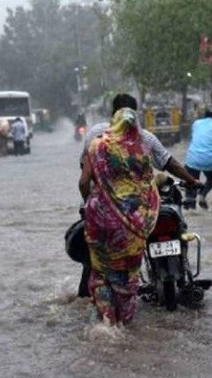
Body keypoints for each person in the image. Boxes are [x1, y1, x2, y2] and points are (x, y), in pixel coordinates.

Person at [76, 93, 201, 299]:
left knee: (96, 262)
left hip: (104, 215)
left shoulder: (97, 140)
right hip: (138, 215)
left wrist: (91, 204)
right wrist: (192, 180)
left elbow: (84, 180)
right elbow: (170, 164)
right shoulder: (145, 139)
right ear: (136, 114)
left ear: (112, 114)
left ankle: (89, 301)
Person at [77, 107, 159, 326]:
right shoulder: (141, 150)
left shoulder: (97, 145)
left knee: (101, 271)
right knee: (127, 274)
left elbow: (84, 182)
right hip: (132, 223)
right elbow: (147, 185)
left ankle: (105, 320)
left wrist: (91, 203)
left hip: (98, 219)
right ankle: (122, 325)